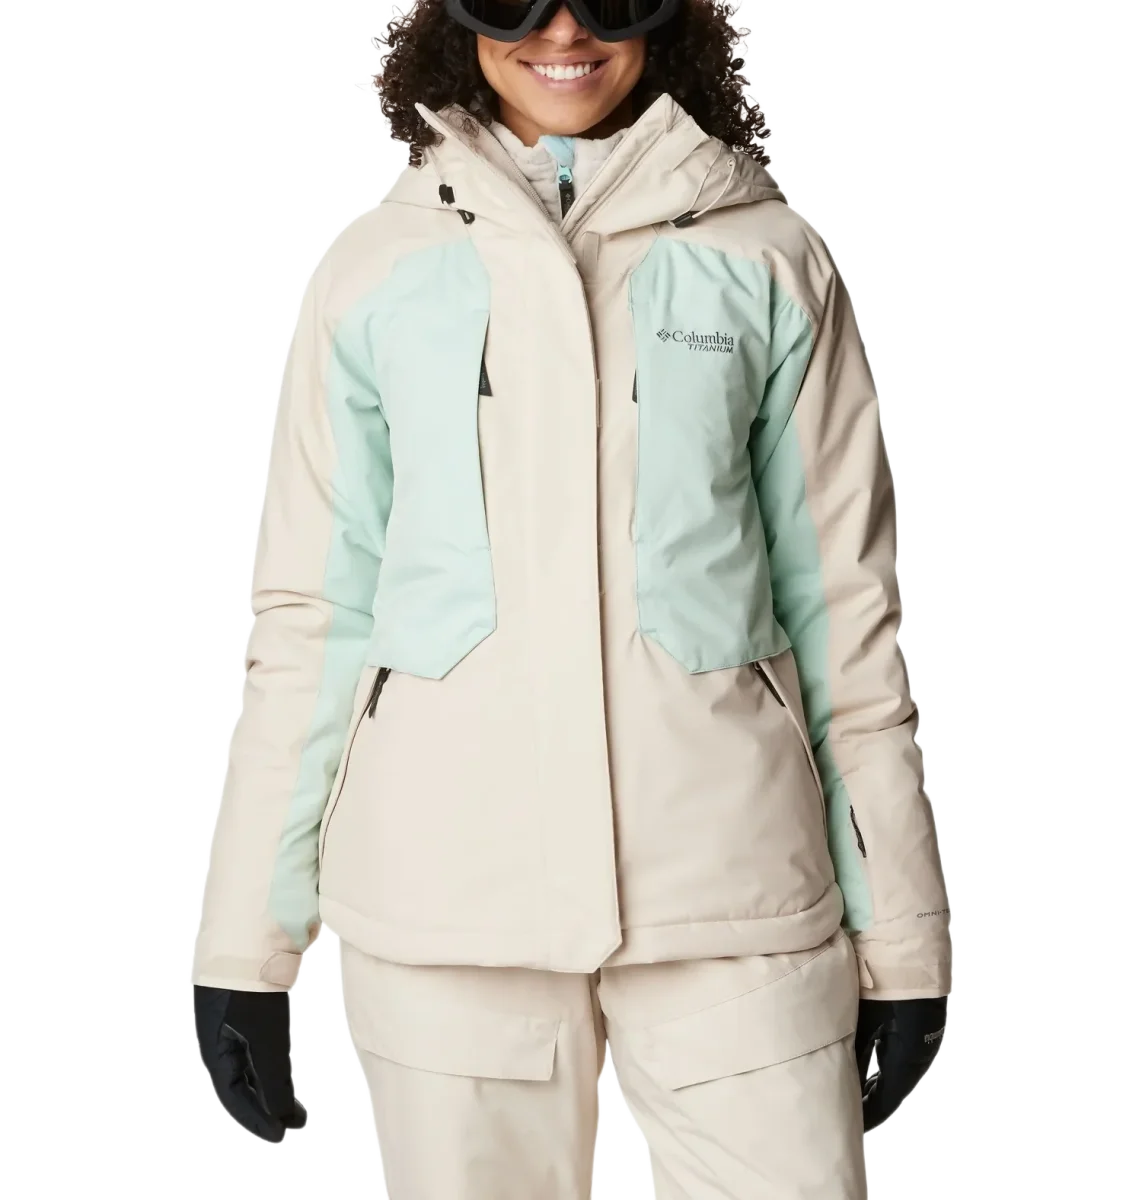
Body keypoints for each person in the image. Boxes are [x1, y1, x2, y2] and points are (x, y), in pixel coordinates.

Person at [191, 0, 953, 1194]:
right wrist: (246, 942)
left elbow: (844, 619)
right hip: (448, 908)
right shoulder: (376, 271)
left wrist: (903, 940)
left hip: (733, 898)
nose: (561, 30)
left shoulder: (764, 258)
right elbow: (311, 623)